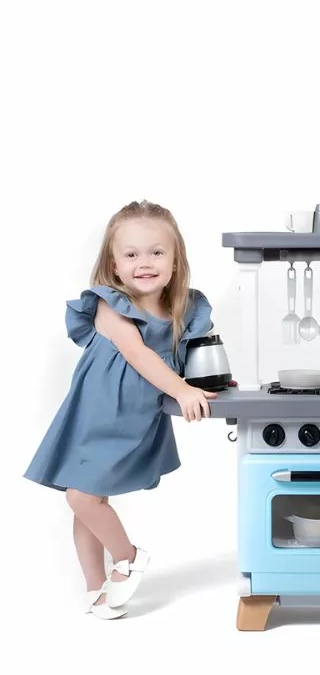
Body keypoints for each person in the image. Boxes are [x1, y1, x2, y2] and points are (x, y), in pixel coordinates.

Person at [24, 200, 221, 619]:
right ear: (114, 265)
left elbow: (180, 361)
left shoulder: (184, 312)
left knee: (85, 498)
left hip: (132, 421)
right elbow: (137, 355)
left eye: (156, 252)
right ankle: (111, 573)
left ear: (174, 260)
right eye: (131, 254)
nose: (144, 263)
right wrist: (181, 389)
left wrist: (203, 384)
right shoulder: (109, 304)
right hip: (90, 415)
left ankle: (117, 568)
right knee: (83, 498)